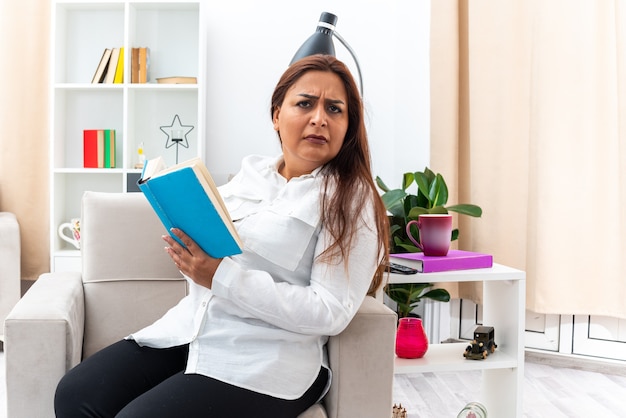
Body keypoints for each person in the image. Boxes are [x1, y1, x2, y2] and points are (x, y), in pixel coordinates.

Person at [54, 54, 389, 418]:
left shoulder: (353, 200)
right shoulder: (252, 173)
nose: (319, 118)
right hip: (192, 328)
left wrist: (220, 276)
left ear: (348, 125)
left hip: (266, 357)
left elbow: (329, 310)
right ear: (277, 115)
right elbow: (216, 247)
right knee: (75, 394)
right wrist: (191, 252)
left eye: (335, 109)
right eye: (305, 103)